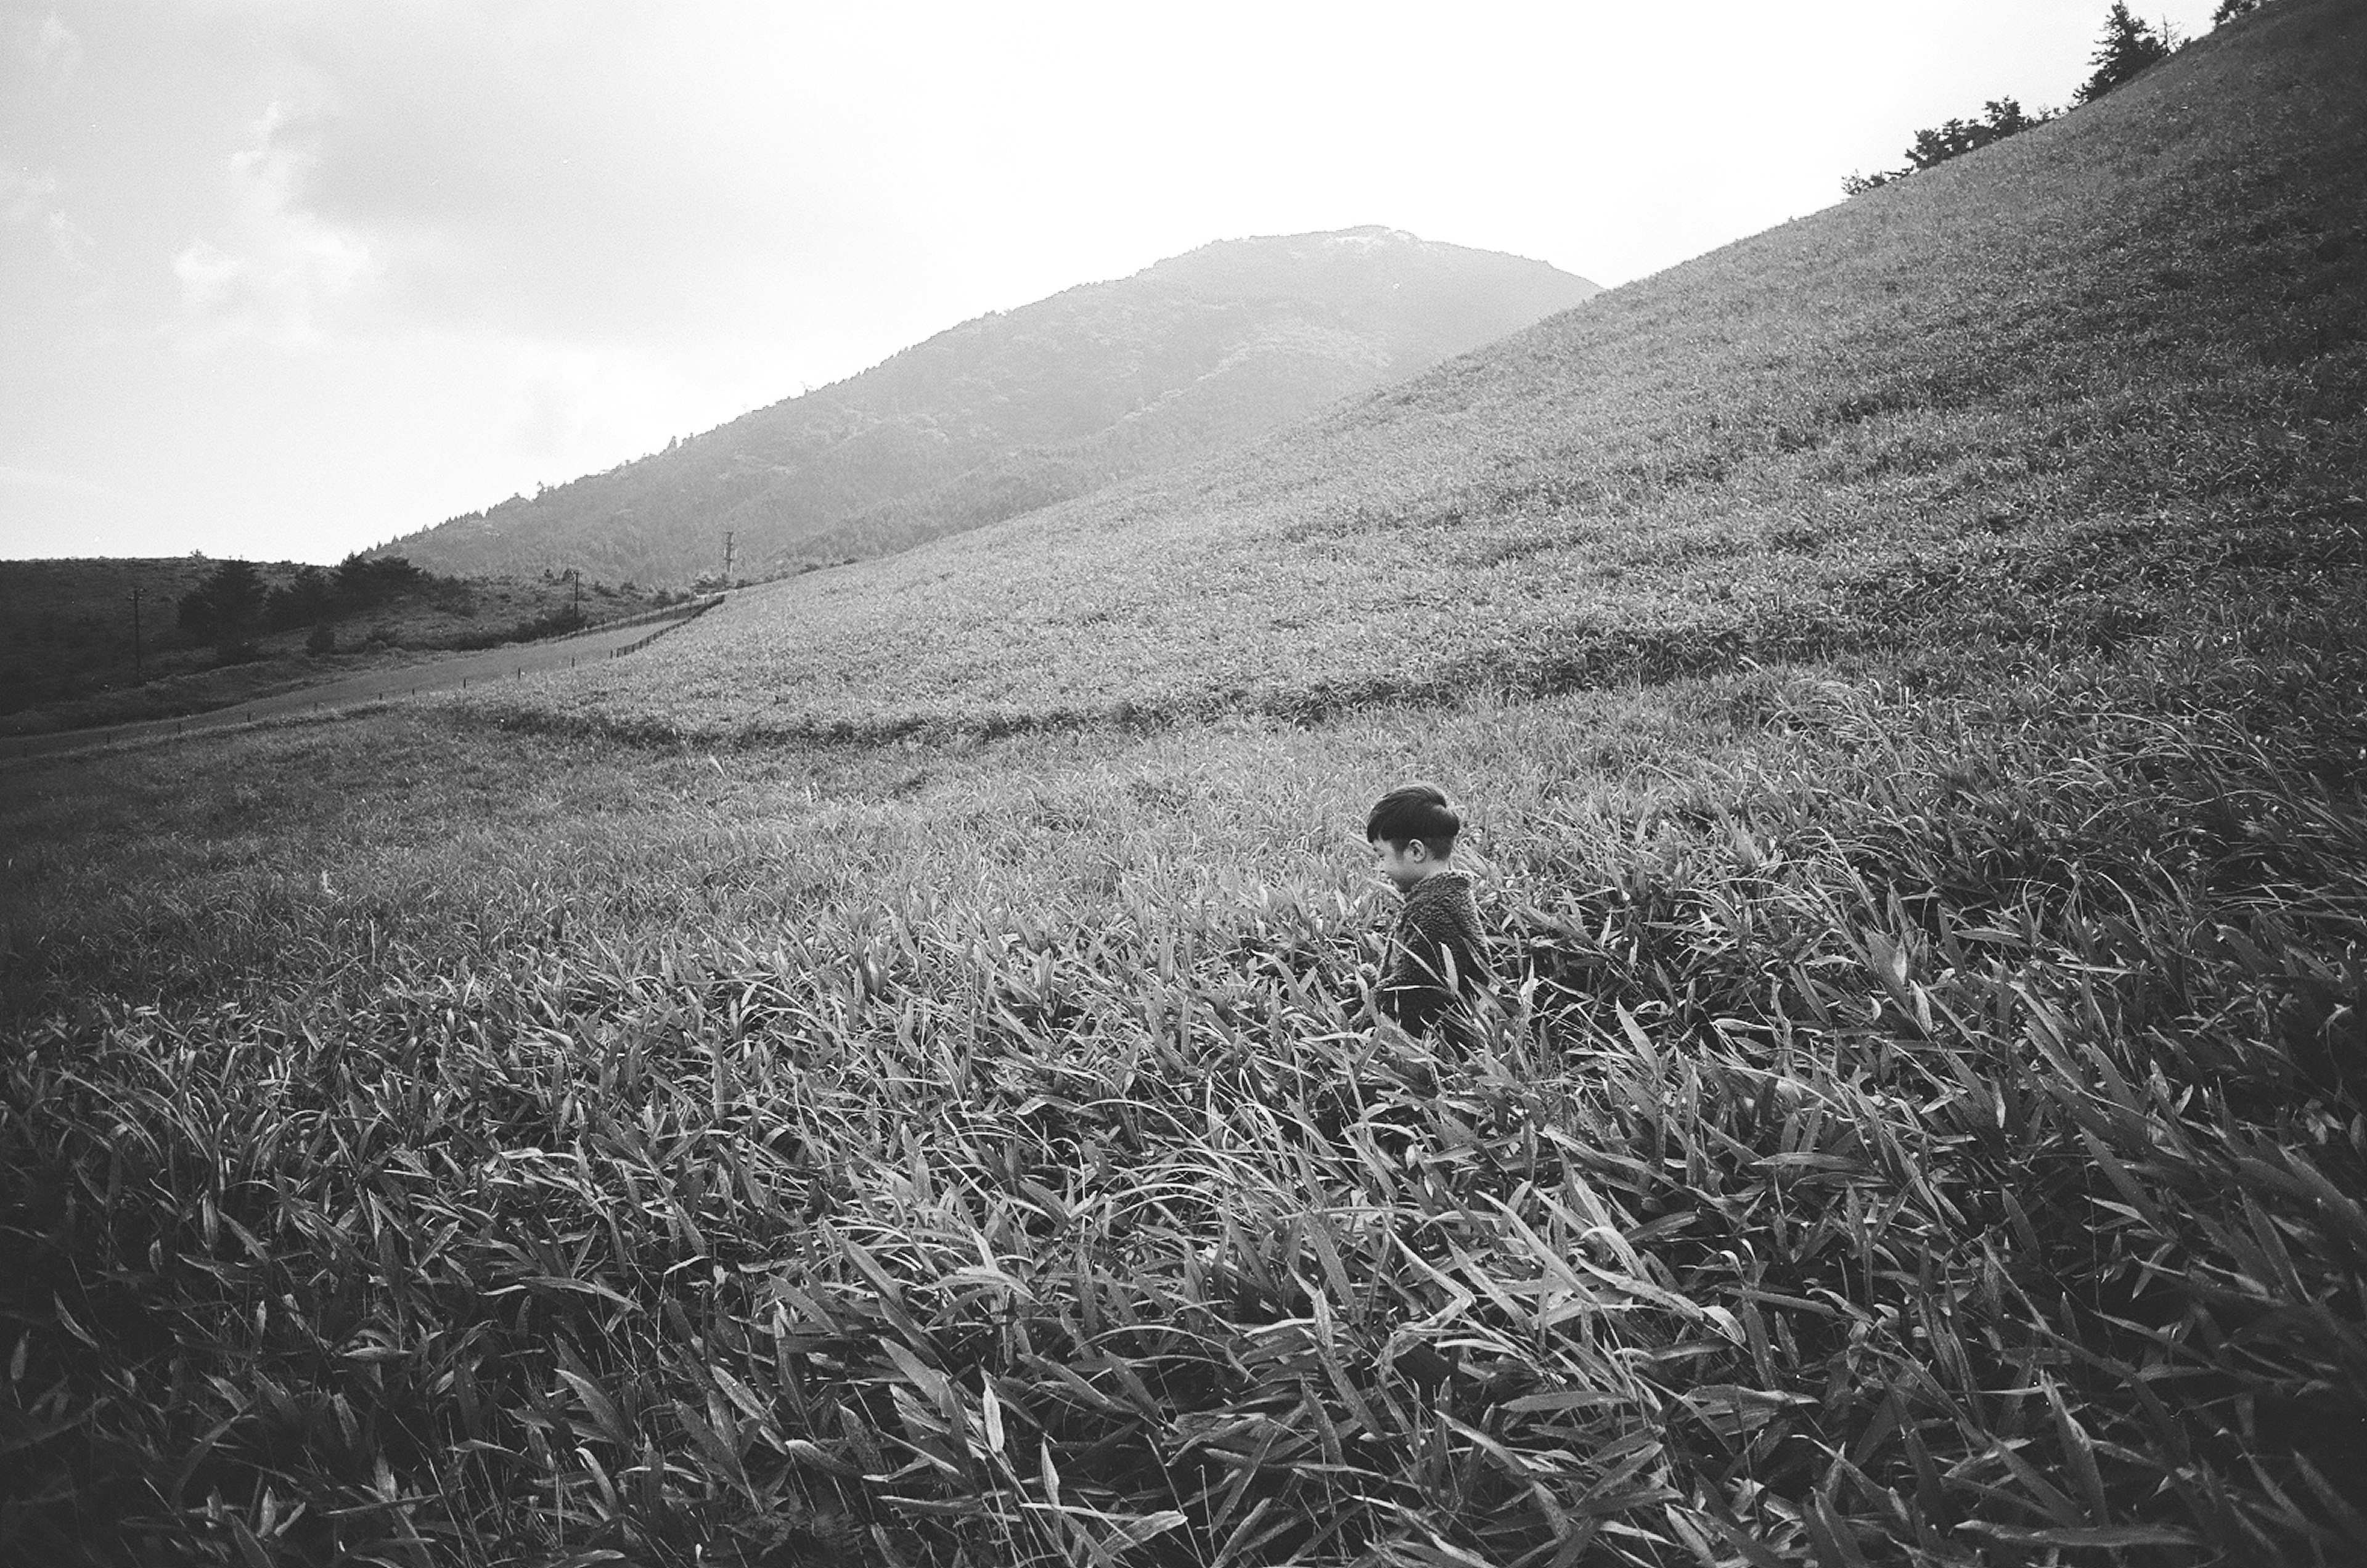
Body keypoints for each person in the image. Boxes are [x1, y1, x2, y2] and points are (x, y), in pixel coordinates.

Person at [1365, 783, 1496, 1043]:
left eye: (1382, 856)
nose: (1380, 868)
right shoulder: (1440, 897)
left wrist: (1367, 1009)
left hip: (1435, 1044)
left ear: (1416, 851)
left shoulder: (1436, 910)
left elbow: (1414, 991)